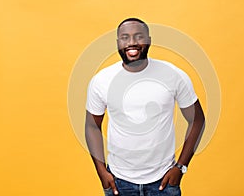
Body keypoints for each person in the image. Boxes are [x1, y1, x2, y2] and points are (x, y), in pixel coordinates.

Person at [85, 18, 205, 196]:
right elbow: (91, 126)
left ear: (148, 40)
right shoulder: (102, 80)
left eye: (138, 36)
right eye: (125, 37)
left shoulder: (173, 75)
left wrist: (181, 167)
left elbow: (197, 120)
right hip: (119, 181)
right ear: (118, 43)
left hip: (164, 182)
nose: (132, 43)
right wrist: (102, 171)